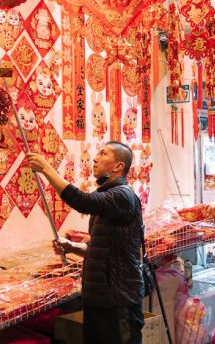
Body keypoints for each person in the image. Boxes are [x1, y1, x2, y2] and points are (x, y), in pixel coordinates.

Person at [27, 142, 144, 344]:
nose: (95, 158)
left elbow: (83, 202)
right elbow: (102, 249)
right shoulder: (107, 197)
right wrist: (73, 247)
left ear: (118, 166)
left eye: (103, 153)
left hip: (118, 300)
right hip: (98, 299)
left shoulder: (122, 196)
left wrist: (46, 168)